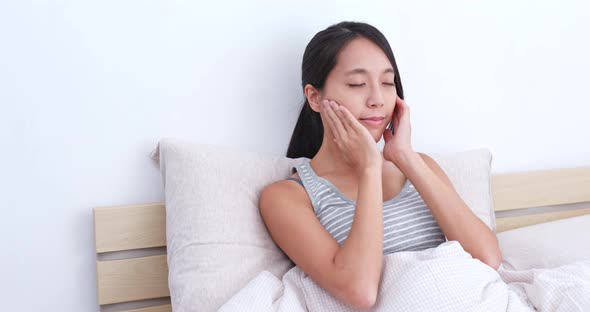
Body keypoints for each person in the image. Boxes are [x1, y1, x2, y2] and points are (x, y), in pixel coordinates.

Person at [259, 21, 501, 309]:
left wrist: (405, 157)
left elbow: (487, 259)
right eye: (357, 84)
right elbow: (360, 292)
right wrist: (369, 169)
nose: (377, 99)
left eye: (387, 83)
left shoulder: (417, 166)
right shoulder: (286, 197)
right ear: (315, 97)